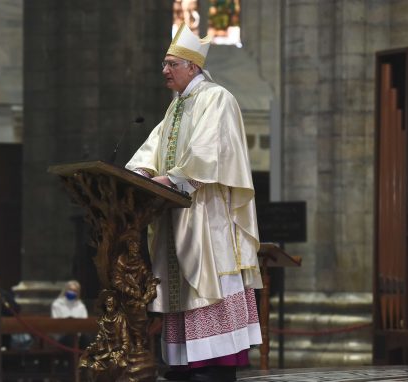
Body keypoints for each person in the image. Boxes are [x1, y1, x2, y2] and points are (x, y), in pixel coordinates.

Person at [125, 23, 263, 382]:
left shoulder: (217, 98)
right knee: (180, 286)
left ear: (193, 66)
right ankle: (185, 362)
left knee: (207, 284)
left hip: (206, 215)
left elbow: (209, 151)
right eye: (165, 64)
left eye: (171, 63)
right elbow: (154, 147)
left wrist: (171, 178)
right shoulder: (176, 108)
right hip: (176, 215)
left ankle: (215, 364)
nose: (164, 70)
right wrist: (139, 171)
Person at [50, 280, 89, 349]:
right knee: (70, 338)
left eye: (75, 291)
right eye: (70, 289)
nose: (72, 292)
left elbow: (85, 323)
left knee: (87, 339)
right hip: (62, 337)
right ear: (65, 290)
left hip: (78, 336)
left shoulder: (80, 306)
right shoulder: (57, 304)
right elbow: (55, 322)